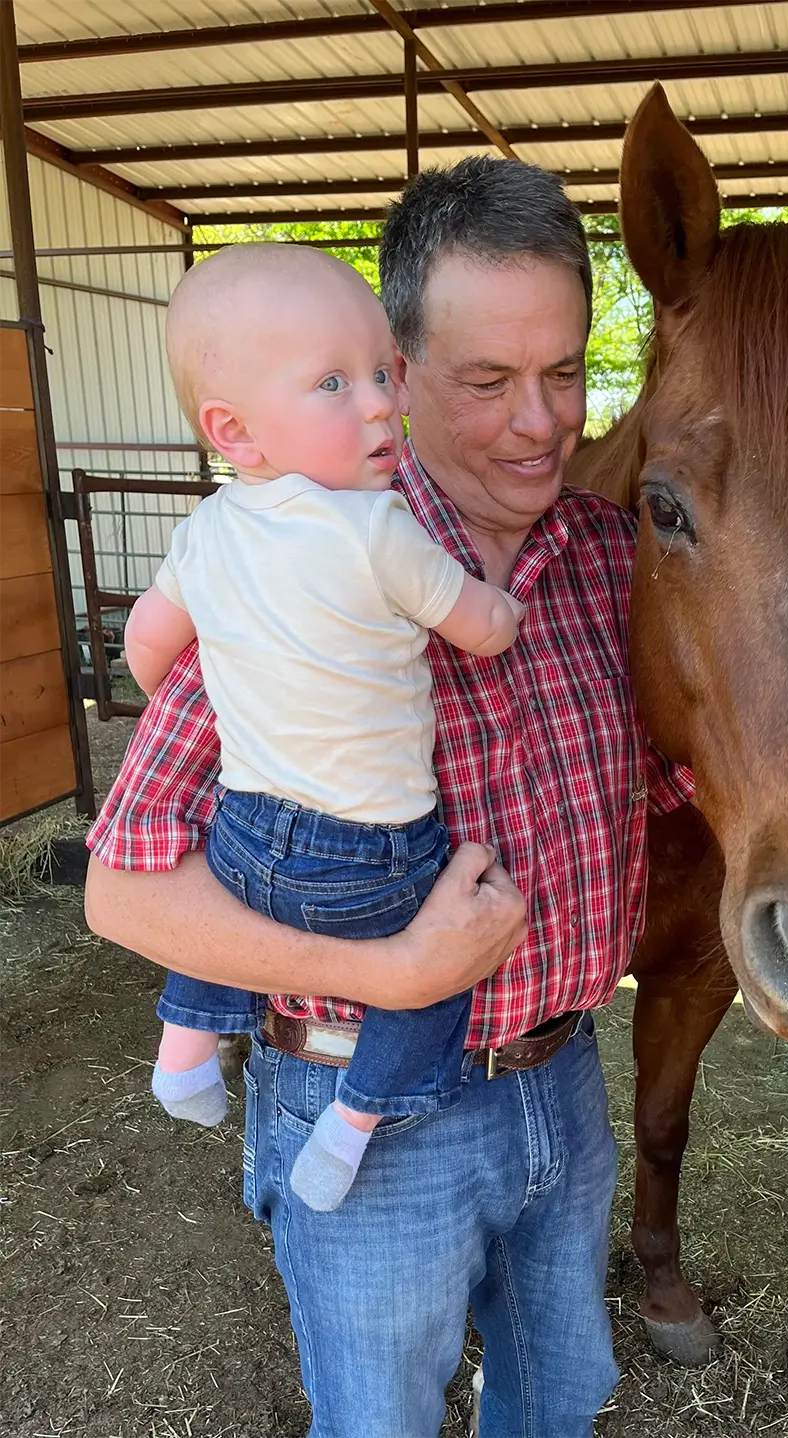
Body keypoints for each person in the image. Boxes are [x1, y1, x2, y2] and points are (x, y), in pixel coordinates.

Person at [85, 157, 788, 1438]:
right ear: (396, 370)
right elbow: (122, 884)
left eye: (564, 374)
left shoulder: (611, 560)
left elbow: (687, 751)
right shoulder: (299, 565)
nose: (540, 425)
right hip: (368, 1111)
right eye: (488, 381)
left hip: (559, 1092)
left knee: (557, 1403)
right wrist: (385, 971)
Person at [122, 244, 523, 1213]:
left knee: (230, 907)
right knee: (435, 971)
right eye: (334, 382)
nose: (383, 401)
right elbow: (480, 630)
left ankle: (183, 1048)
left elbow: (146, 650)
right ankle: (353, 1121)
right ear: (237, 430)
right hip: (375, 848)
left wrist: (238, 666)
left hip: (252, 824)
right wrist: (503, 597)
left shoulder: (206, 529)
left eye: (385, 371)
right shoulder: (378, 527)